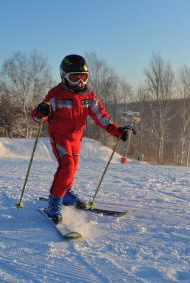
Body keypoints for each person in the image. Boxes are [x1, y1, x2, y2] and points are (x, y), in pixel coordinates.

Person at [32, 54, 134, 224]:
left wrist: (117, 131)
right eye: (74, 78)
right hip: (60, 137)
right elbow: (38, 117)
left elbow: (101, 116)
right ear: (64, 77)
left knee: (72, 169)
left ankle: (66, 192)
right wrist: (40, 111)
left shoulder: (88, 96)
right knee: (68, 168)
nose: (80, 82)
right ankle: (54, 202)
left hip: (76, 138)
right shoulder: (56, 95)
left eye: (83, 77)